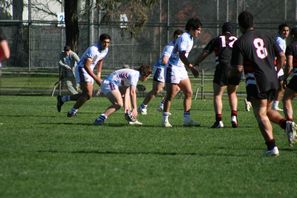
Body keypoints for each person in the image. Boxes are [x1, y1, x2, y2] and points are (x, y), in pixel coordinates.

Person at [230, 11, 296, 156]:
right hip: (273, 79)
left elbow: (238, 68)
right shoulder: (266, 36)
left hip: (256, 81)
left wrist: (231, 75)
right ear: (253, 23)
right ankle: (287, 124)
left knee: (260, 113)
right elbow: (282, 56)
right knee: (266, 110)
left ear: (240, 25)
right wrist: (276, 70)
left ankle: (272, 147)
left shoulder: (240, 42)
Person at [194, 22, 241, 128]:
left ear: (222, 31)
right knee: (232, 93)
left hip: (222, 66)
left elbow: (205, 53)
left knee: (218, 94)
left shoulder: (217, 39)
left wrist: (196, 62)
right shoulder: (238, 40)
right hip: (236, 67)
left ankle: (219, 121)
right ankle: (234, 116)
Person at [56, 33, 111, 117]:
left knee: (86, 95)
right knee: (88, 94)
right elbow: (86, 66)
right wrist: (96, 79)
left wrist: (98, 75)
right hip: (82, 69)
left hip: (89, 70)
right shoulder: (93, 49)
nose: (106, 44)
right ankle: (72, 111)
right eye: (104, 42)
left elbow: (100, 60)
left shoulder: (105, 49)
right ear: (100, 41)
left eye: (108, 43)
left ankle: (63, 99)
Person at [162, 17, 201, 127]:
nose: (200, 32)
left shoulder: (191, 38)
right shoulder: (184, 37)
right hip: (173, 67)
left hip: (180, 68)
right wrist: (191, 67)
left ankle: (187, 119)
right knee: (170, 94)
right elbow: (181, 55)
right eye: (198, 29)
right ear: (192, 28)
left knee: (189, 92)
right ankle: (165, 120)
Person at [138, 29, 183, 115]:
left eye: (180, 38)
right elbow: (164, 61)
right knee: (157, 90)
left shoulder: (181, 47)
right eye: (177, 37)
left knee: (176, 88)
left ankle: (163, 105)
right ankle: (142, 107)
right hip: (161, 68)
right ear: (174, 37)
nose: (178, 39)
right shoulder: (170, 47)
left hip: (171, 69)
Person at [283, 27, 297, 143]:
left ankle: (290, 124)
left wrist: (285, 78)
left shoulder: (292, 46)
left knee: (286, 98)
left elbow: (289, 66)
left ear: (292, 35)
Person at [272, 23, 290, 111]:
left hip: (277, 66)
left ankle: (274, 105)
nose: (286, 32)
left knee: (281, 87)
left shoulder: (281, 39)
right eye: (284, 30)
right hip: (276, 66)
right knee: (280, 87)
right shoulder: (280, 40)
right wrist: (281, 65)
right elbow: (280, 55)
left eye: (287, 30)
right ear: (280, 31)